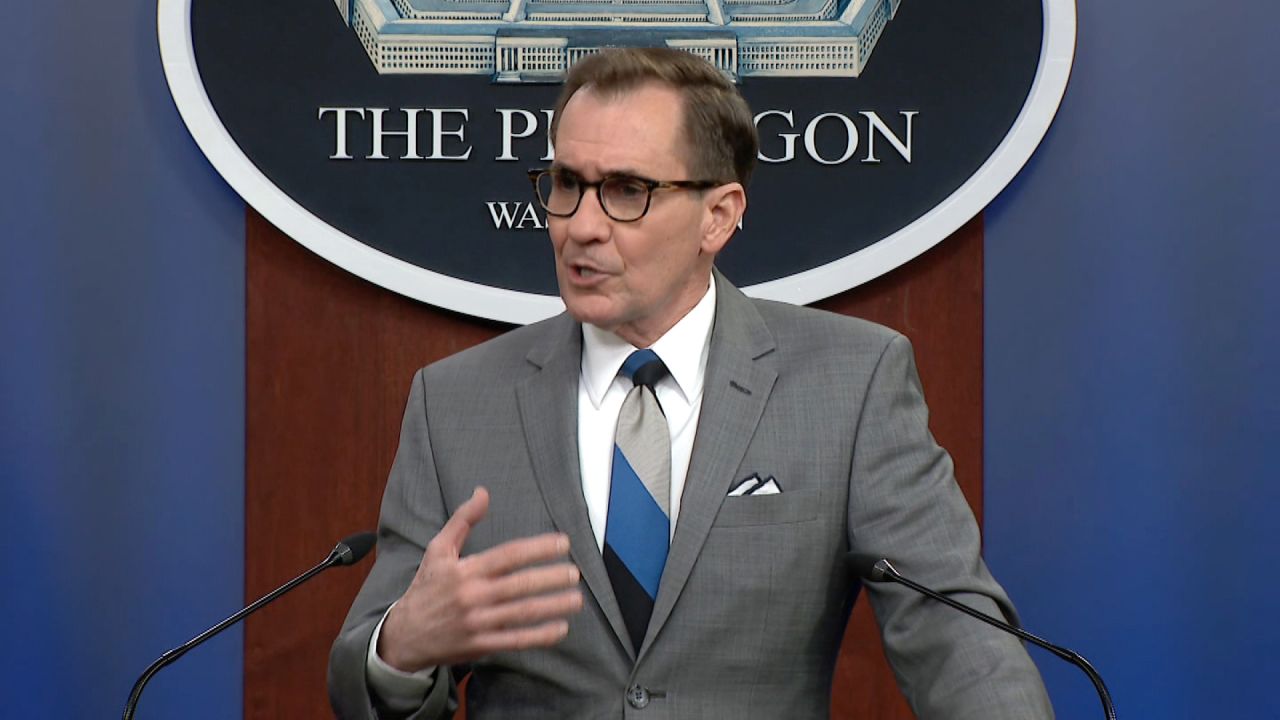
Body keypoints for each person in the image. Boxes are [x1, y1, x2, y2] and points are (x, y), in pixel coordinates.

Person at [328, 47, 1053, 719]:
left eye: (626, 191)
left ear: (718, 216)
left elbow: (955, 634)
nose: (580, 226)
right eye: (567, 185)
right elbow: (364, 683)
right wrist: (401, 648)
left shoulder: (850, 383)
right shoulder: (455, 402)